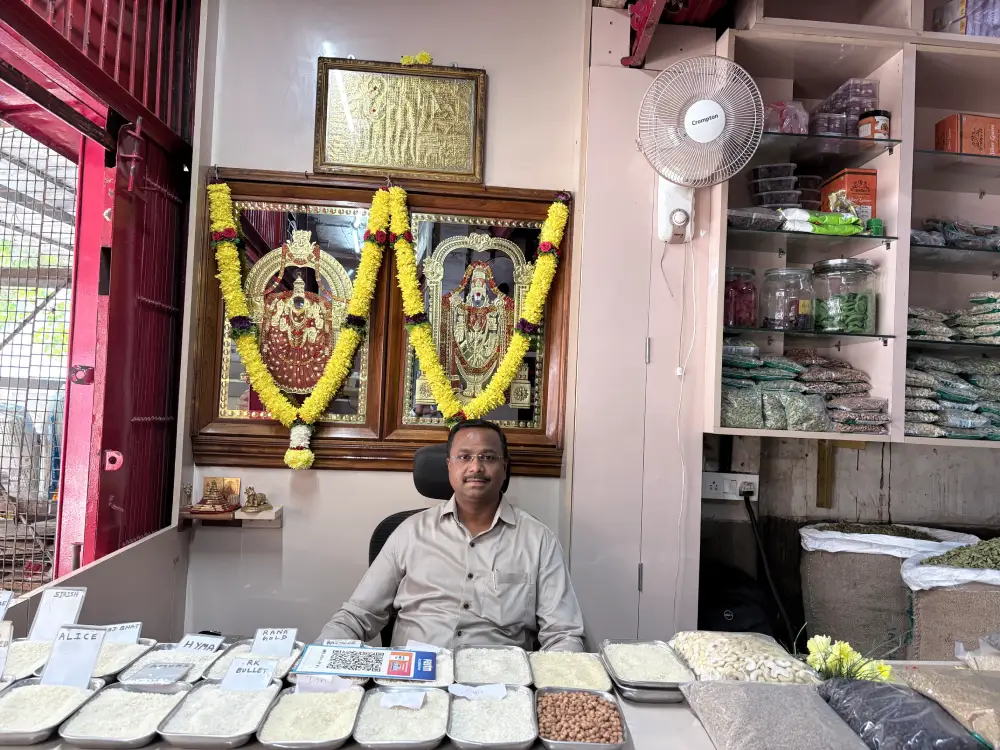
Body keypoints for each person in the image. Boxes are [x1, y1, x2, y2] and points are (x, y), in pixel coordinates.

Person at [318, 419, 585, 651]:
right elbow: (357, 616)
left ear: (504, 467)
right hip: (414, 682)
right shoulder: (410, 532)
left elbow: (563, 634)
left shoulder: (539, 540)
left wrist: (564, 694)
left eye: (488, 457)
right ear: (449, 466)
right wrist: (317, 666)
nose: (476, 467)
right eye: (465, 456)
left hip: (499, 687)